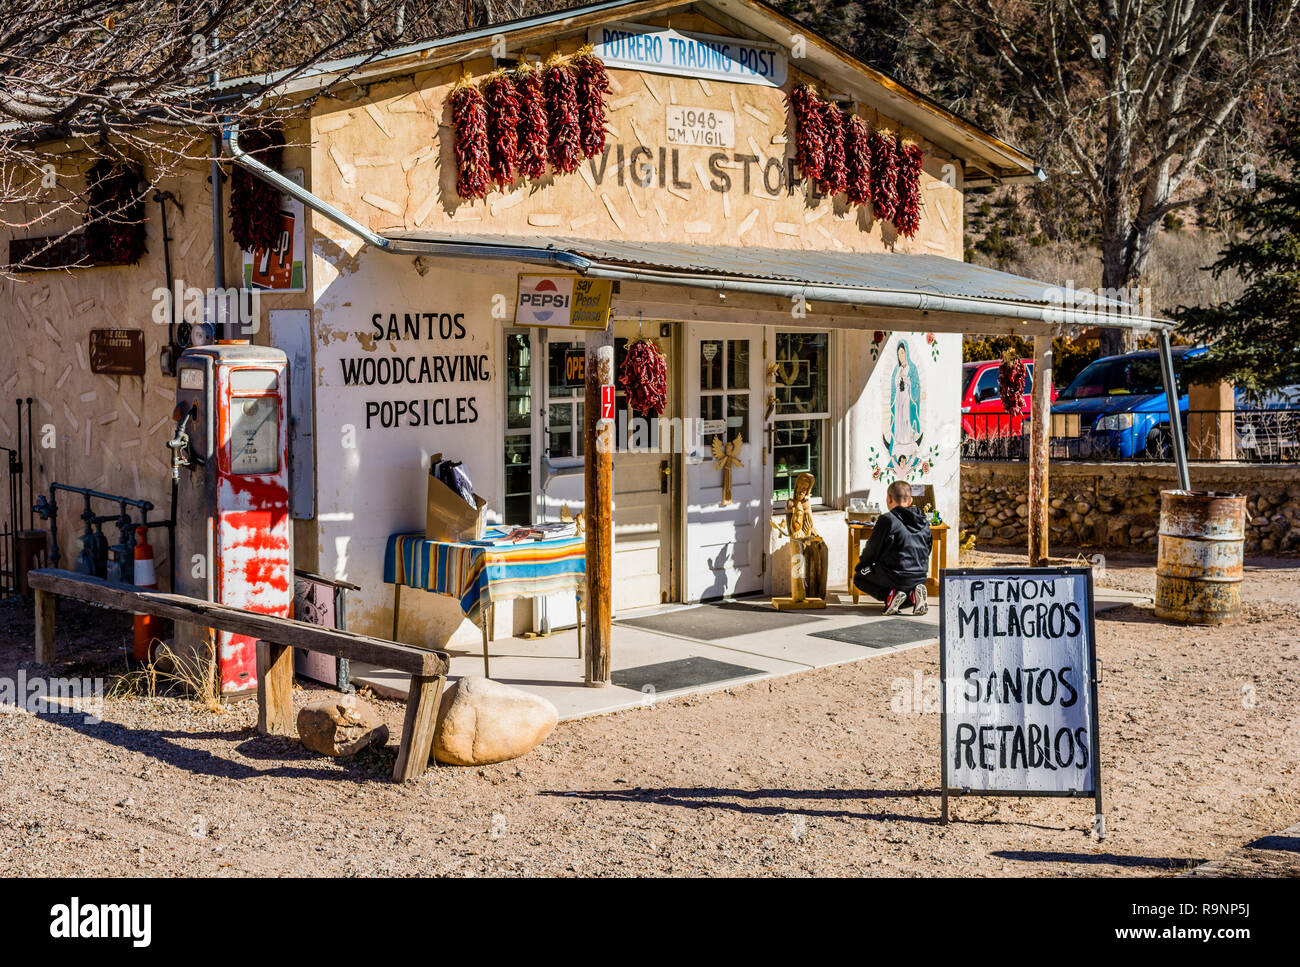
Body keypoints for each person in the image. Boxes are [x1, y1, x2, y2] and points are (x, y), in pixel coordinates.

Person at [853, 479, 932, 615]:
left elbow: (872, 550)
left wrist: (863, 565)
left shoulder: (887, 519)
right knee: (905, 588)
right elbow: (928, 549)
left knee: (859, 576)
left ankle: (890, 596)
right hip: (919, 577)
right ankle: (913, 594)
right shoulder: (924, 521)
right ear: (910, 500)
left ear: (889, 499)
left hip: (895, 575)